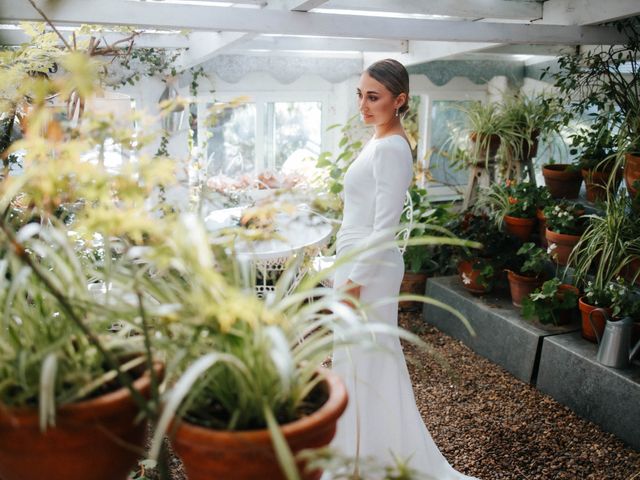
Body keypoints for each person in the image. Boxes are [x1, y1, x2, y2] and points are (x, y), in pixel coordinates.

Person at [331, 58, 478, 480]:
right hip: (357, 259)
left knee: (369, 361)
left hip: (369, 267)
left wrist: (354, 280)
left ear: (400, 100)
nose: (363, 104)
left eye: (373, 97)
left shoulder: (393, 147)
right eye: (360, 94)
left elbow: (384, 227)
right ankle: (355, 452)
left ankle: (374, 458)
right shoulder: (379, 138)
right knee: (356, 360)